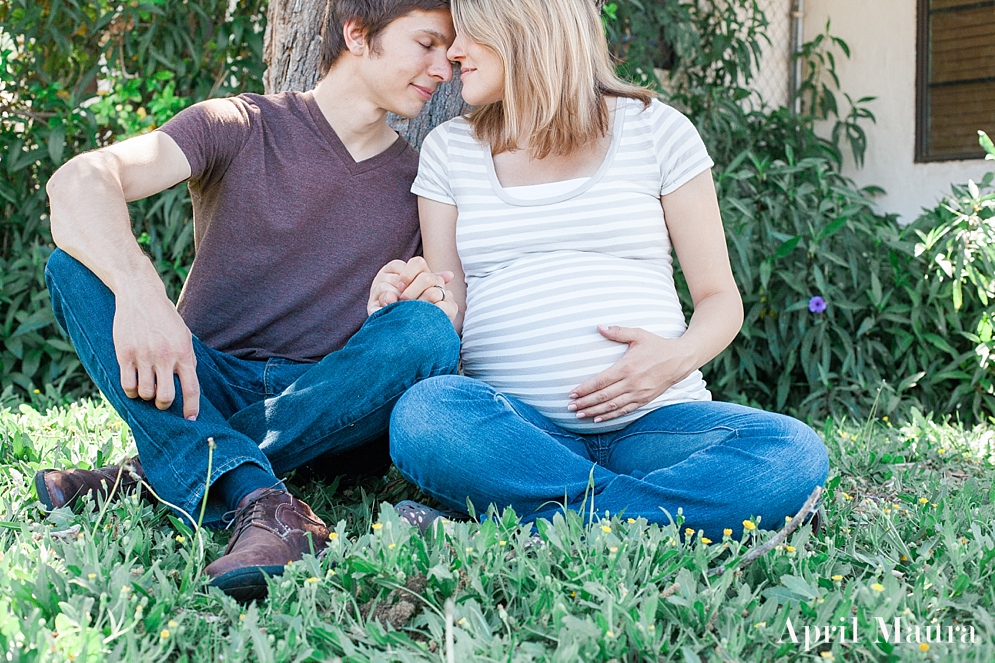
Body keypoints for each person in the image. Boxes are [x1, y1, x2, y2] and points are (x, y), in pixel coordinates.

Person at [36, 0, 462, 601]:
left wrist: (391, 304)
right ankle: (261, 501)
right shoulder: (237, 122)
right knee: (72, 270)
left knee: (425, 331)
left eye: (449, 50)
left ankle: (167, 470)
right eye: (427, 43)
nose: (444, 67)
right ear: (358, 34)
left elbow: (434, 324)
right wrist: (140, 291)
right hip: (198, 381)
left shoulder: (421, 180)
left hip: (328, 402)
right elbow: (79, 180)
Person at [385, 0, 829, 539]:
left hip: (656, 425)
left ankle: (532, 521)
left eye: (470, 35)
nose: (453, 53)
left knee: (792, 452)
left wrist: (674, 359)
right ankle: (656, 515)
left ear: (524, 30)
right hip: (521, 435)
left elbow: (720, 298)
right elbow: (450, 306)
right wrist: (412, 302)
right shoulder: (449, 149)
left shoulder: (656, 130)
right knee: (424, 415)